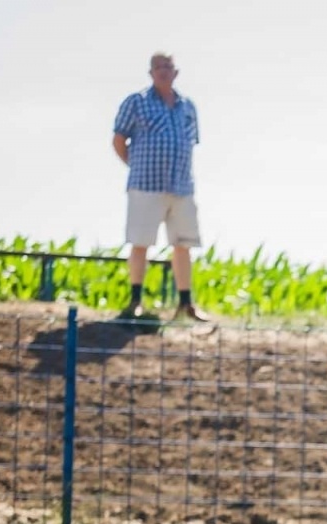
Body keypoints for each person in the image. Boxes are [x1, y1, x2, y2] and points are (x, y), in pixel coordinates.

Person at [112, 52, 206, 322]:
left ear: (176, 72)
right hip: (146, 184)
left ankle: (186, 304)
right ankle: (136, 301)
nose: (163, 71)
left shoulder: (188, 106)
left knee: (183, 244)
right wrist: (135, 164)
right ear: (150, 73)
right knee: (140, 242)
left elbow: (191, 143)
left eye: (168, 67)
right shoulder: (137, 102)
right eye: (158, 67)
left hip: (181, 186)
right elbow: (118, 139)